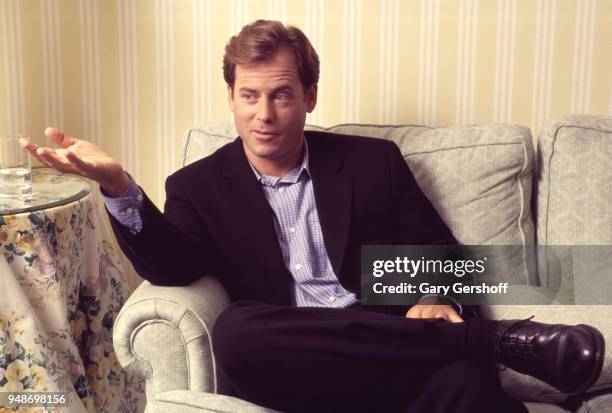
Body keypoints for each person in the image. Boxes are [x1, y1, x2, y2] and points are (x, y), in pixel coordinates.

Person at [22, 20, 604, 413]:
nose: (264, 115)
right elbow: (173, 265)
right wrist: (121, 188)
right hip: (296, 363)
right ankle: (497, 340)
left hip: (392, 362)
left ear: (310, 97)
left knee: (469, 383)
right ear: (231, 97)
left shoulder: (372, 163)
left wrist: (442, 302)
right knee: (238, 332)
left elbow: (438, 249)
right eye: (249, 96)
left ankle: (468, 344)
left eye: (281, 95)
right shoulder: (198, 184)